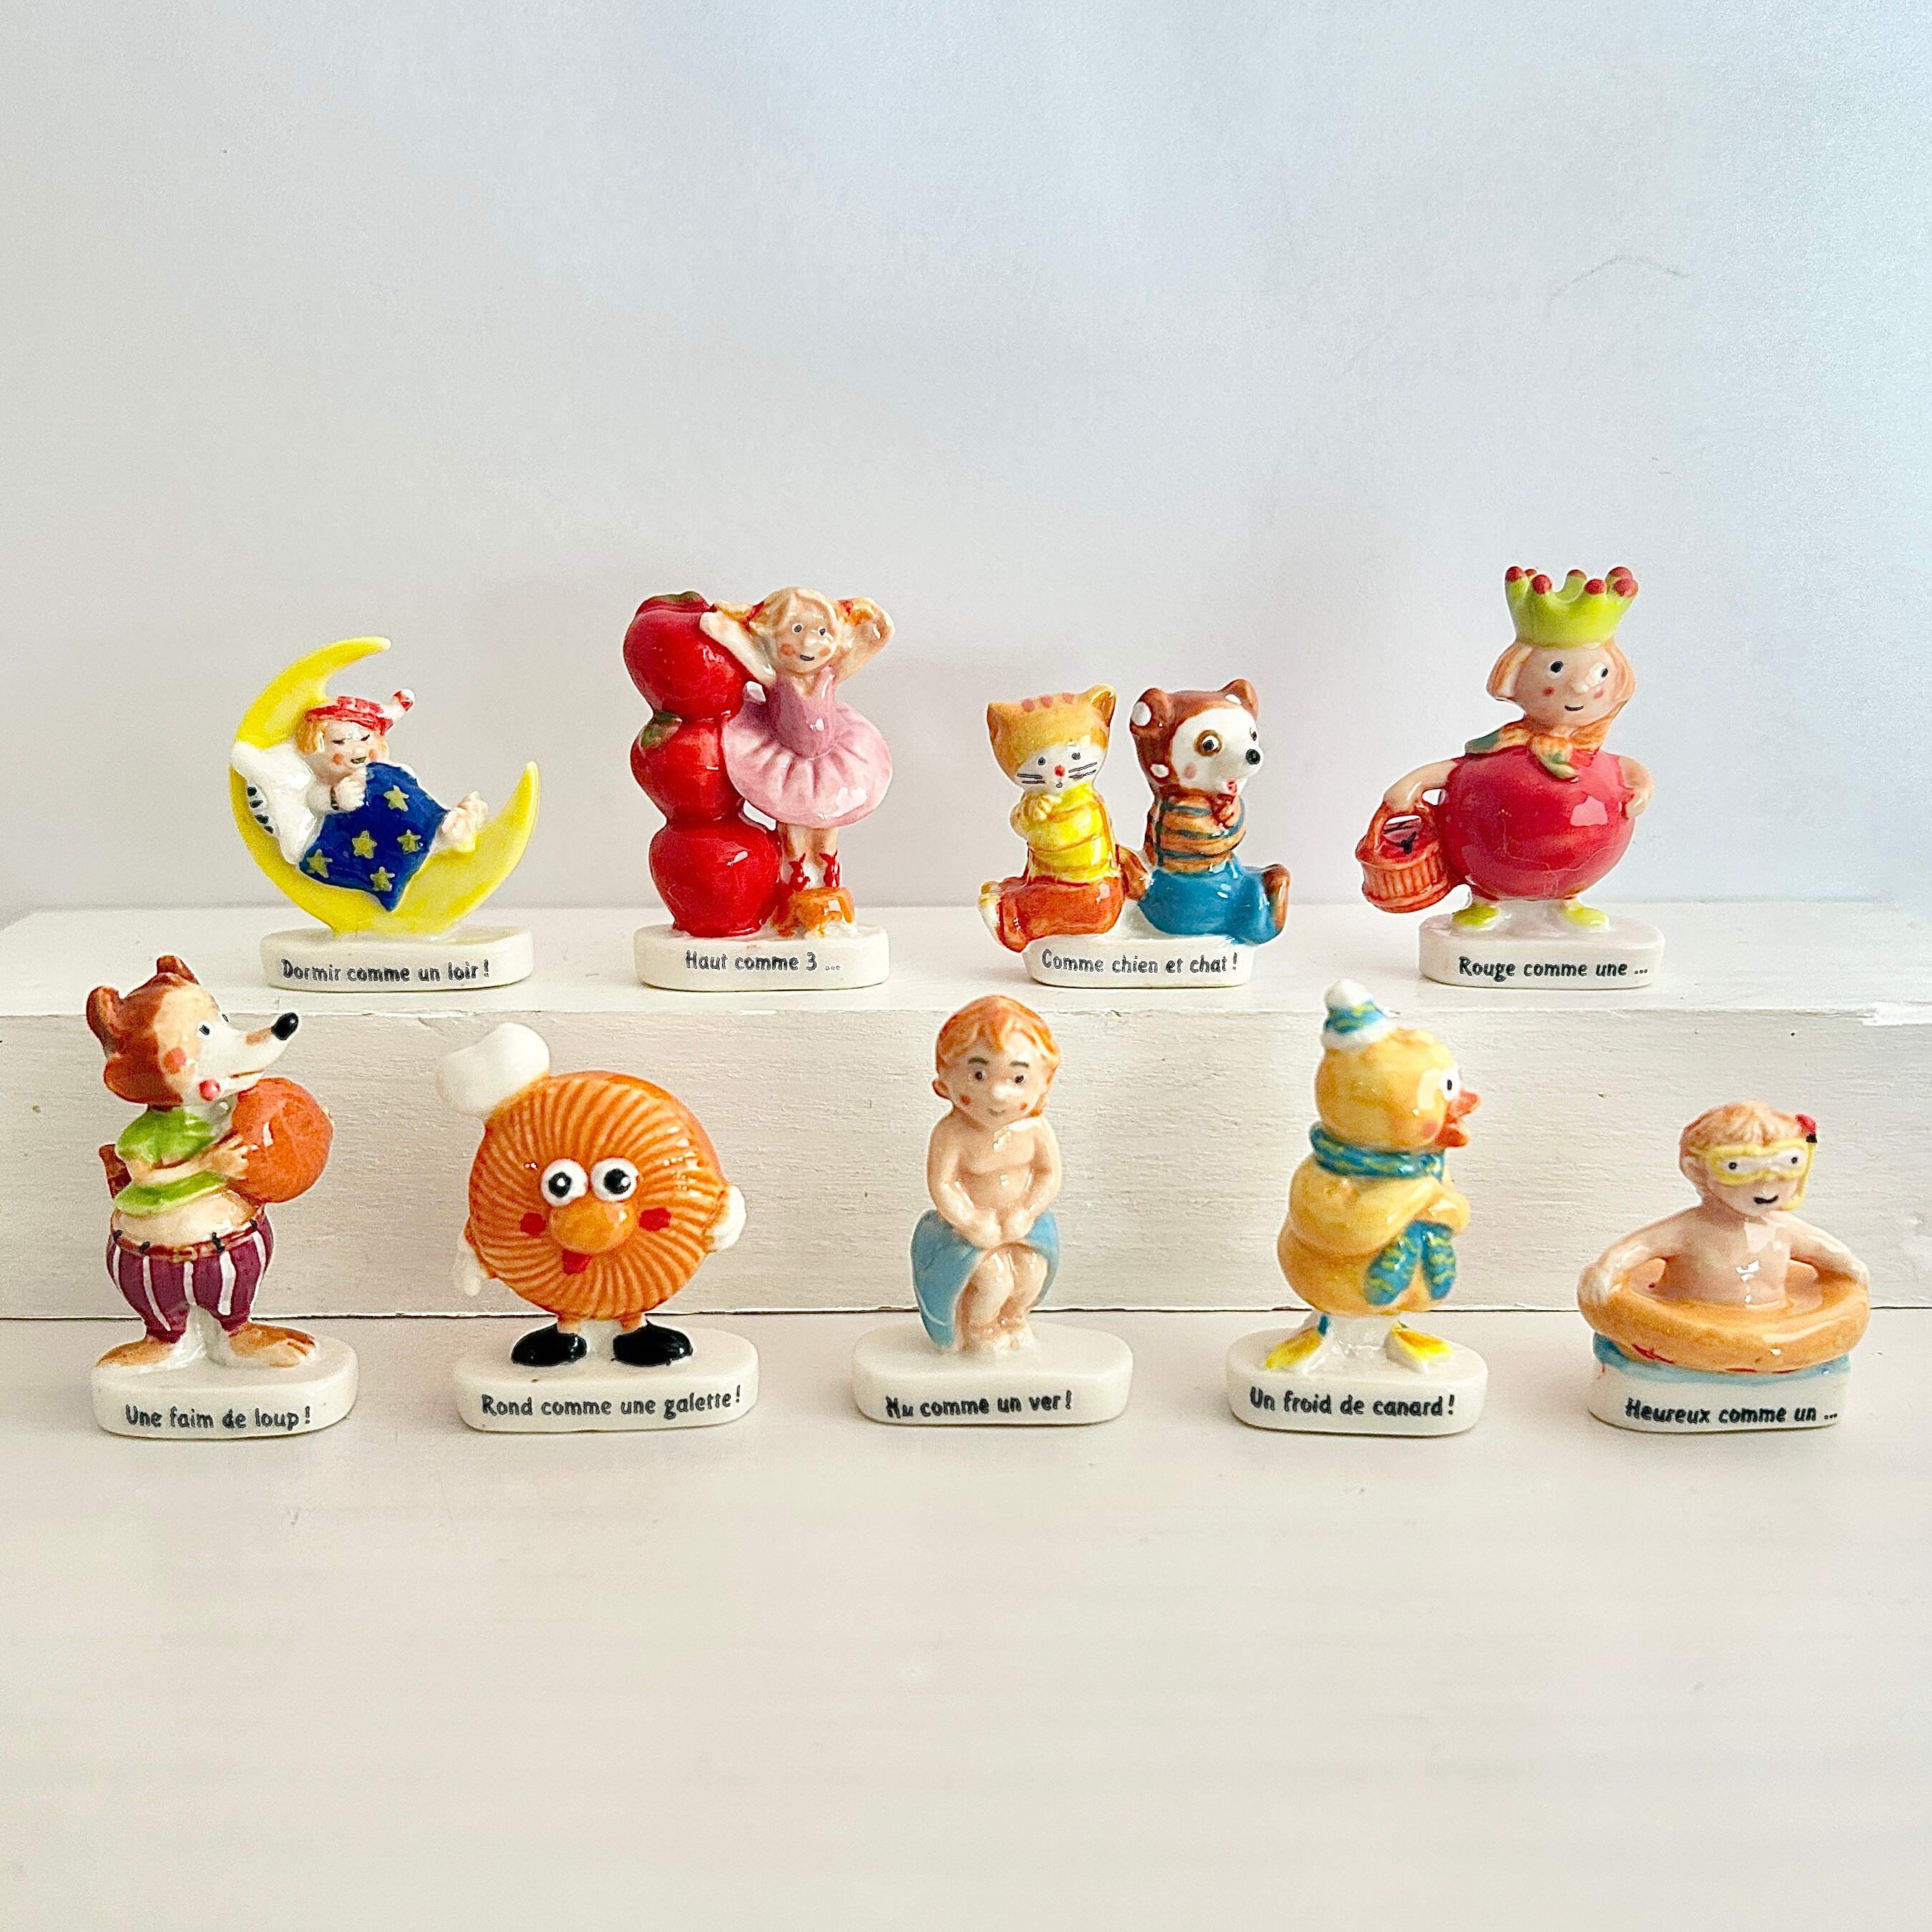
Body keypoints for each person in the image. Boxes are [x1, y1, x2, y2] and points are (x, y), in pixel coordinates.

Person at [910, 997, 1063, 1352]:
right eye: (978, 1075)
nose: (997, 1092)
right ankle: (979, 1329)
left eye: (1018, 1078)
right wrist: (969, 1220)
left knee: (1031, 1272)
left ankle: (1013, 1318)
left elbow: (1048, 1174)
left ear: (1044, 1083)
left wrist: (1026, 1210)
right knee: (994, 1280)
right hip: (969, 1233)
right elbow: (943, 1185)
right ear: (944, 1081)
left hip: (1022, 1226)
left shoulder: (1034, 1130)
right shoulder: (952, 1134)